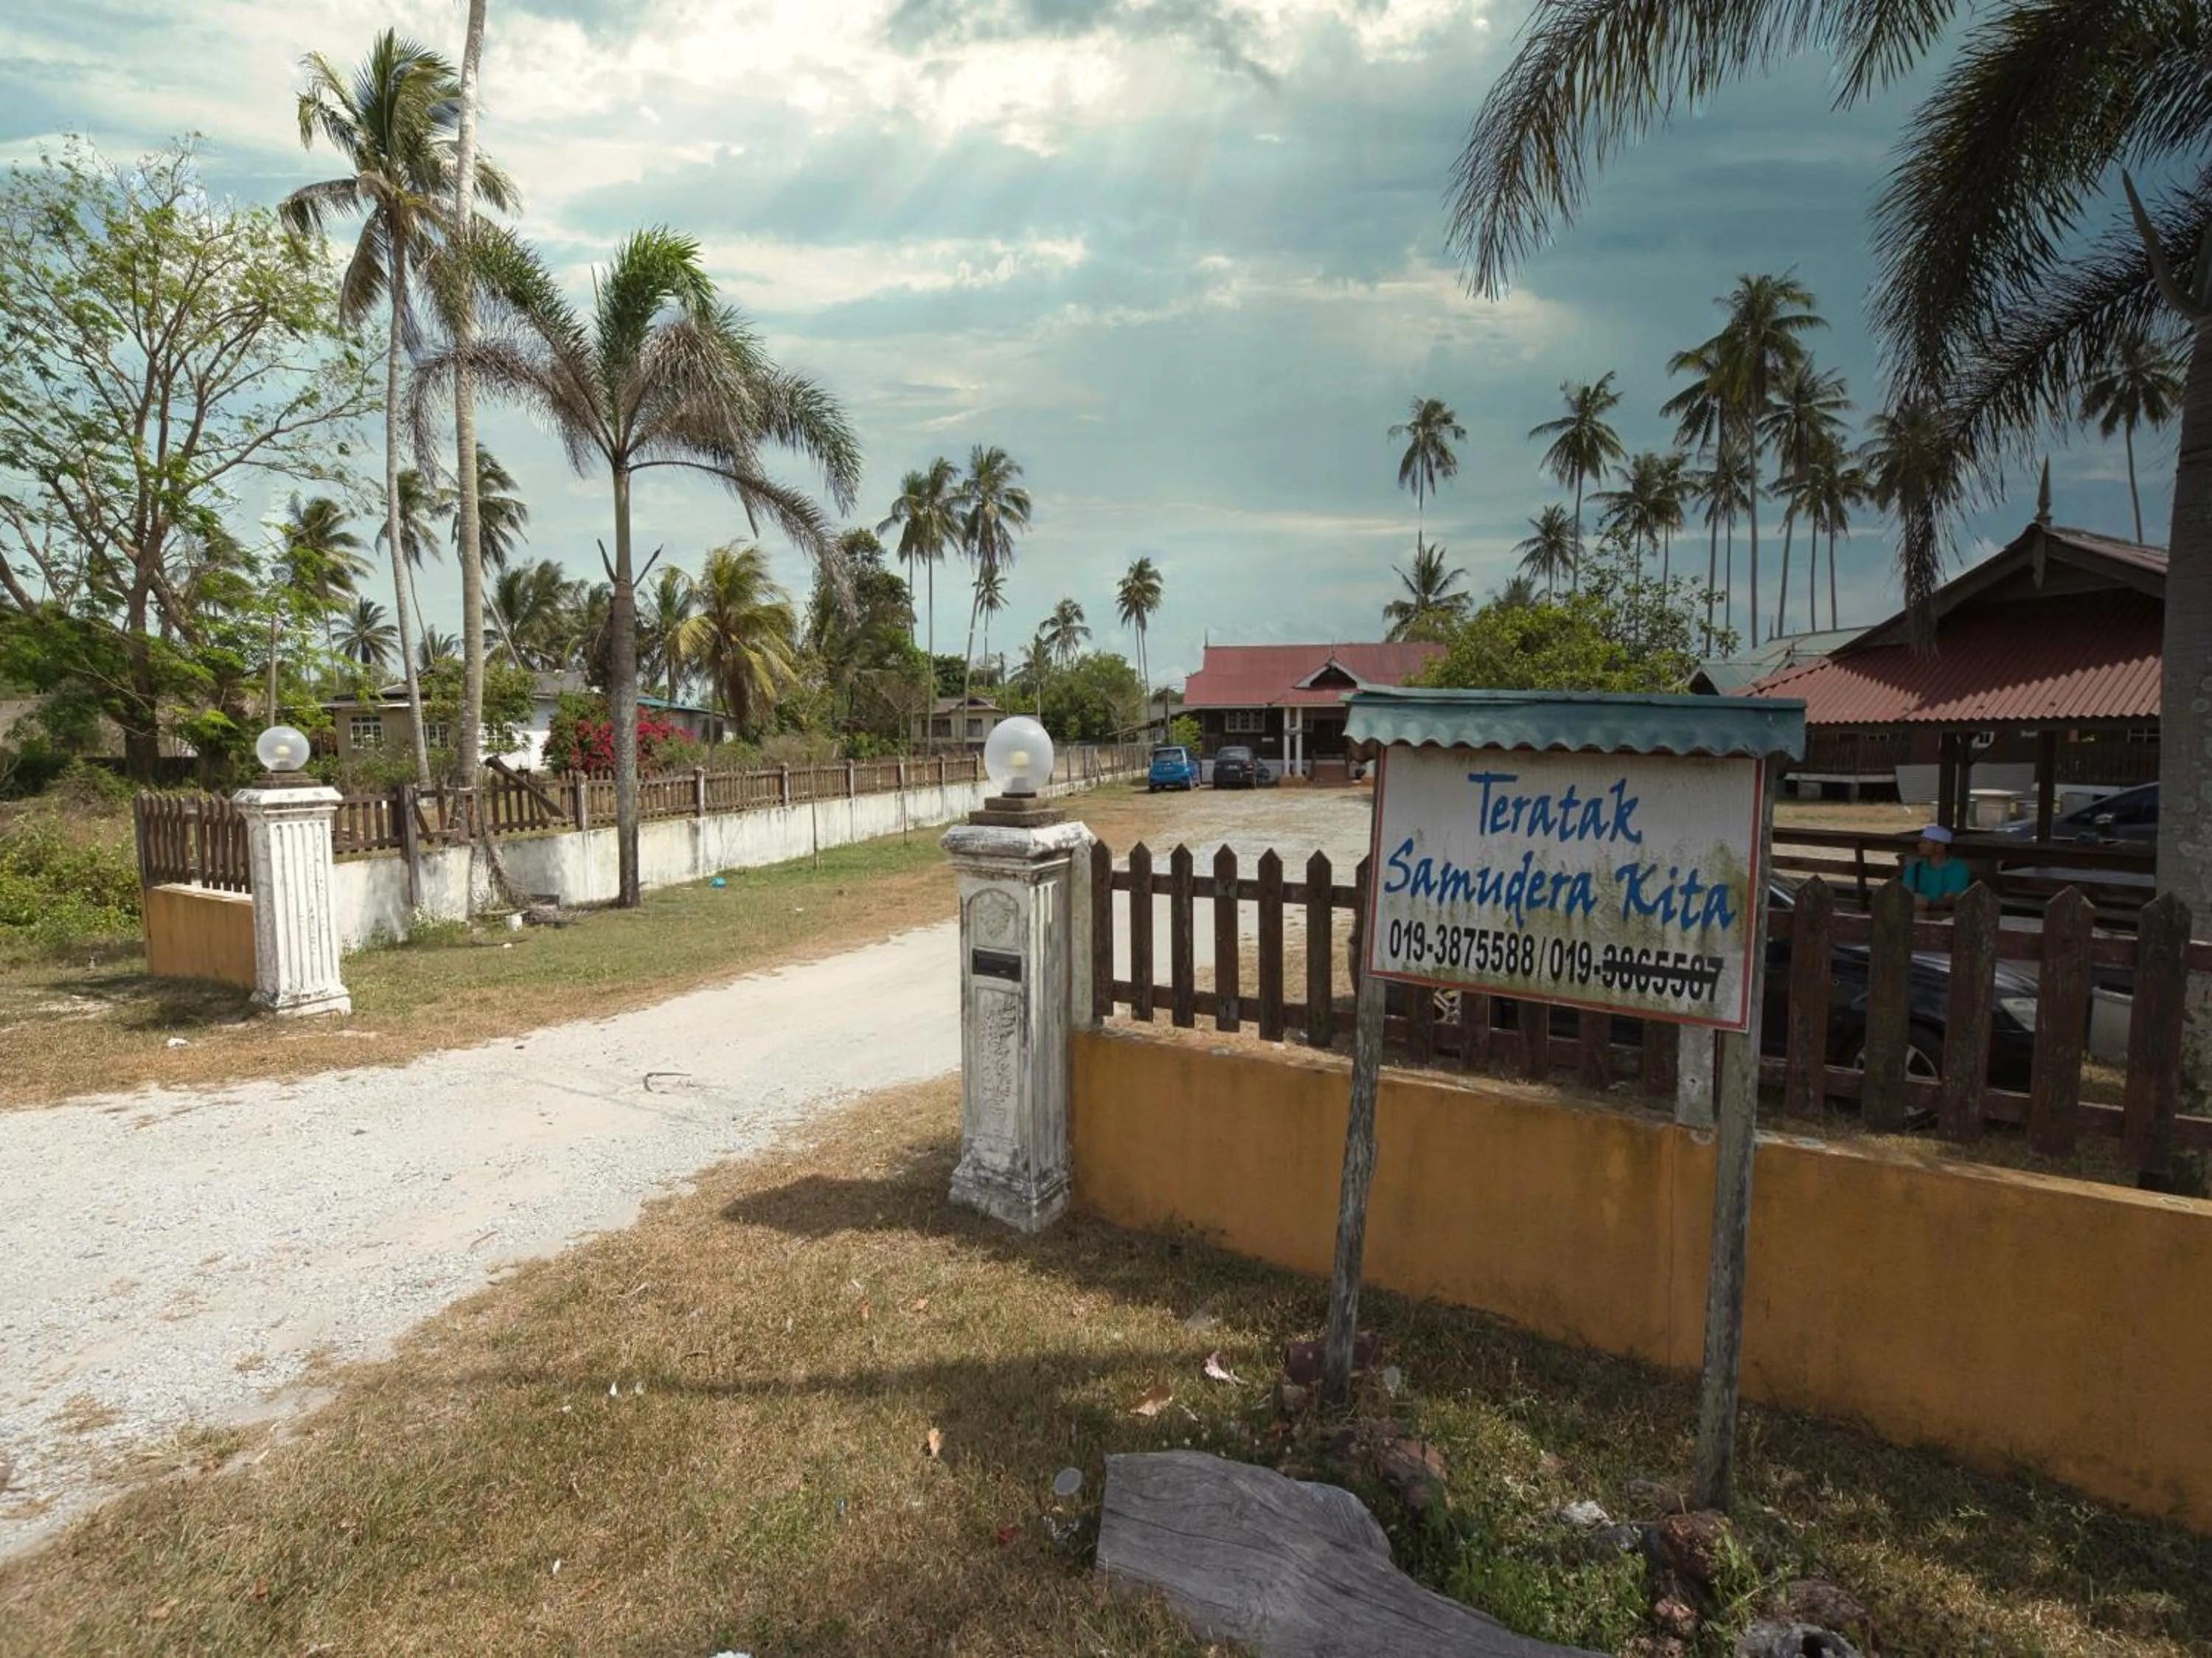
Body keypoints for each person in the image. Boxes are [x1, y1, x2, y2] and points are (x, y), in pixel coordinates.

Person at [1902, 823, 1969, 912]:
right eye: (1921, 842)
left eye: (1925, 843)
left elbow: (1951, 899)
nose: (1920, 846)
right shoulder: (1914, 867)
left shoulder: (1958, 869)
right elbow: (1906, 894)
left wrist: (1927, 904)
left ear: (1940, 847)